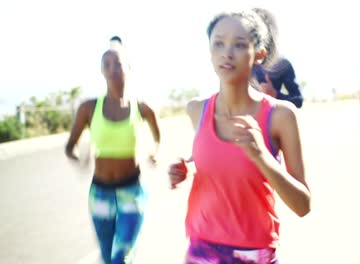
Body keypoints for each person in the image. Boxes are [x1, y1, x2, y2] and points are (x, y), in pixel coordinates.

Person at [168, 8, 311, 264]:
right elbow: (216, 158)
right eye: (219, 44)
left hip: (255, 254)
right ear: (210, 53)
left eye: (239, 44)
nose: (227, 52)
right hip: (202, 250)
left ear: (259, 54)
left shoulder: (280, 115)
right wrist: (188, 167)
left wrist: (261, 156)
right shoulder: (196, 110)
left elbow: (303, 205)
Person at [65, 39, 161, 263]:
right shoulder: (88, 108)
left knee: (121, 256)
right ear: (101, 70)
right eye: (106, 63)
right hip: (100, 193)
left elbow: (158, 138)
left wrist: (155, 153)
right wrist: (79, 158)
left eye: (117, 63)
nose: (112, 69)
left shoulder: (143, 108)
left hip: (131, 190)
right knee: (108, 256)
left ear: (129, 67)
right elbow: (70, 147)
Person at [250, 8, 304, 109]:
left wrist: (275, 95)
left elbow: (298, 100)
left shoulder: (282, 64)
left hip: (271, 121)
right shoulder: (239, 62)